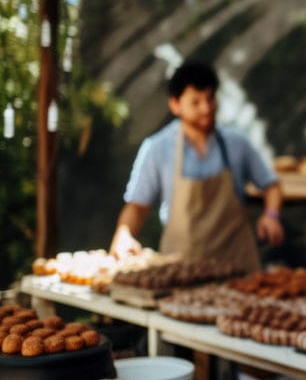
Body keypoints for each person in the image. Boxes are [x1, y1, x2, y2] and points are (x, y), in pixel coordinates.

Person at [110, 61, 284, 272]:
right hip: (181, 267)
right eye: (196, 102)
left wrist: (271, 215)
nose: (206, 108)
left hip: (237, 264)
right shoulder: (156, 148)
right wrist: (123, 234)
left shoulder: (236, 142)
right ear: (175, 105)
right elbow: (137, 206)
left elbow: (271, 185)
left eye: (210, 98)